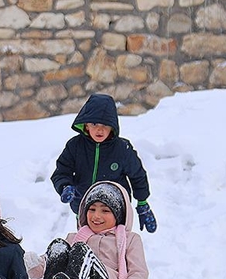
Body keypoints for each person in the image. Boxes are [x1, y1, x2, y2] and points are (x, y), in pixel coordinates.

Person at [24, 181, 150, 279]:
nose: (96, 216)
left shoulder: (129, 239)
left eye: (105, 211)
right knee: (58, 246)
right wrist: (35, 265)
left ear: (119, 214)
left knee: (81, 250)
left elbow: (139, 274)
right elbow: (49, 263)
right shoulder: (74, 237)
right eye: (92, 209)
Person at [51, 93, 158, 233]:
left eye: (105, 125)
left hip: (115, 212)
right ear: (86, 125)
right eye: (94, 124)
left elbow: (137, 175)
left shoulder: (122, 149)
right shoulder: (75, 146)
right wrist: (65, 186)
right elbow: (61, 172)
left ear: (112, 126)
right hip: (85, 210)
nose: (99, 129)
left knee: (113, 247)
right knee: (87, 246)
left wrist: (142, 202)